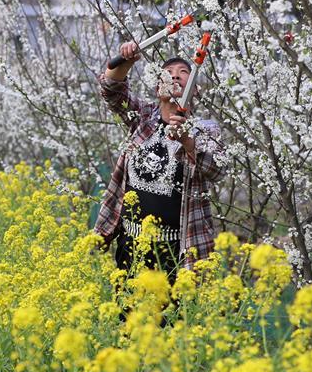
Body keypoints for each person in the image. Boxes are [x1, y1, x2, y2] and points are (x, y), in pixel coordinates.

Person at [94, 41, 226, 286]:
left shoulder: (205, 130)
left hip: (176, 251)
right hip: (131, 244)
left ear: (195, 90)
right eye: (168, 72)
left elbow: (217, 170)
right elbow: (111, 90)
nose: (175, 75)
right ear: (158, 88)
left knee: (171, 311)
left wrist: (187, 141)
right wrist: (127, 61)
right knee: (129, 309)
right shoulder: (143, 118)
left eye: (183, 72)